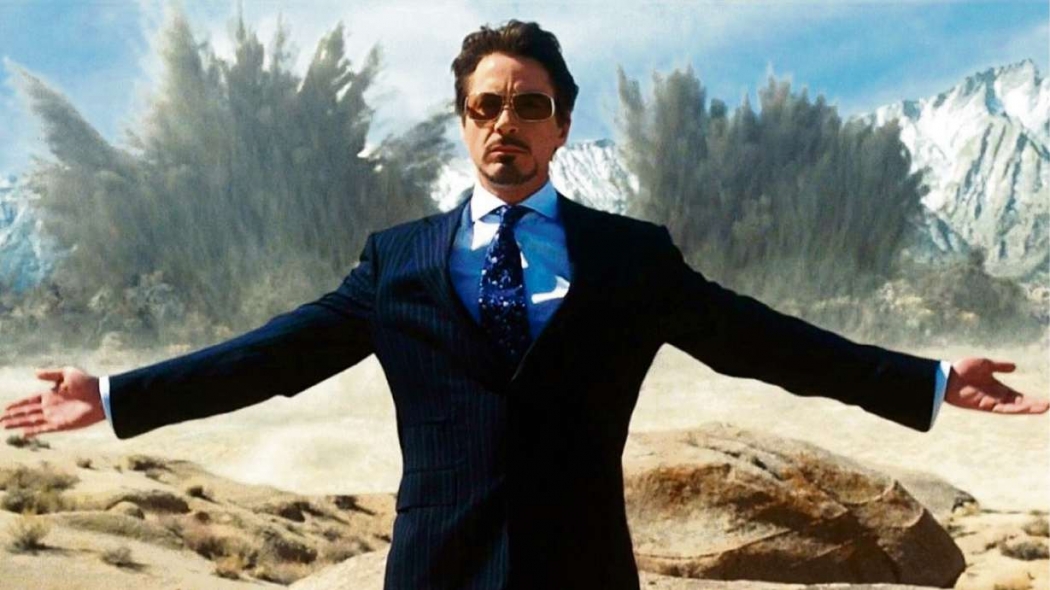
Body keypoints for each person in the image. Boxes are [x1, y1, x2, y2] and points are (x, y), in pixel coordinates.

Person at [2, 19, 1046, 590]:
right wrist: (116, 394)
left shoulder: (630, 258)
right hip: (436, 571)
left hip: (582, 573)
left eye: (530, 105)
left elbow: (760, 341)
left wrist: (928, 380)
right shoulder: (397, 262)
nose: (507, 122)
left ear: (561, 125)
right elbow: (271, 356)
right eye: (487, 106)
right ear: (464, 124)